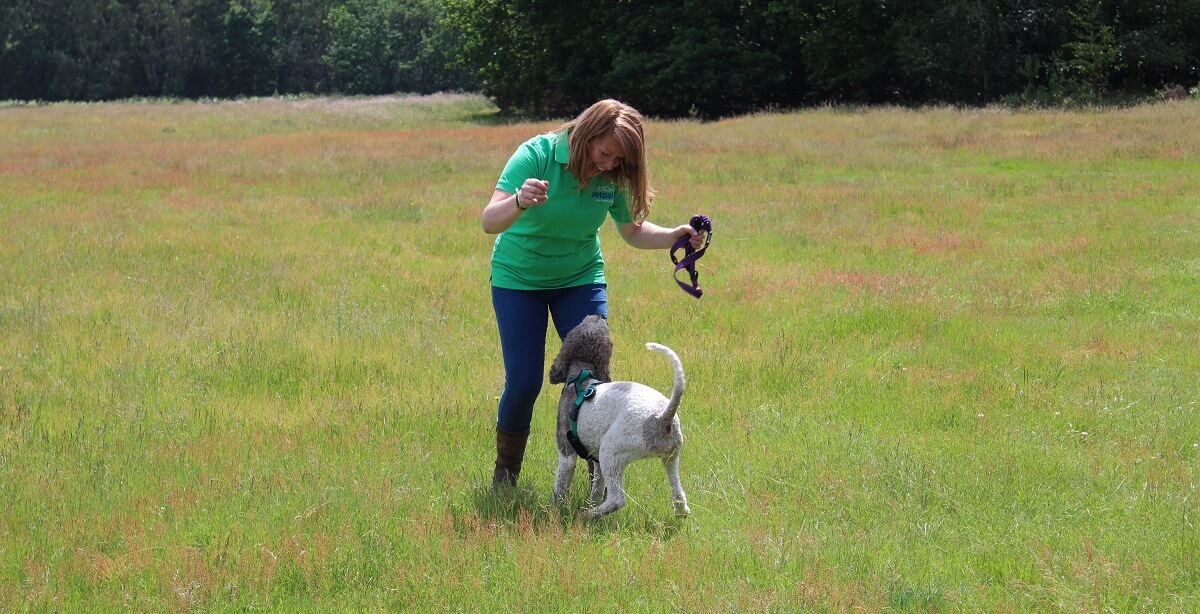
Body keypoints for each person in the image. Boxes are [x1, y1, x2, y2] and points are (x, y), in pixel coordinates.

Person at [481, 98, 707, 489]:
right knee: (524, 382)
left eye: (619, 160)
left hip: (580, 278)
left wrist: (673, 235)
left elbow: (632, 230)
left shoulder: (611, 176)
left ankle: (598, 478)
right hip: (519, 279)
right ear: (587, 134)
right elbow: (489, 220)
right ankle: (506, 473)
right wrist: (519, 200)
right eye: (605, 153)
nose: (609, 164)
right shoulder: (537, 154)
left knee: (592, 382)